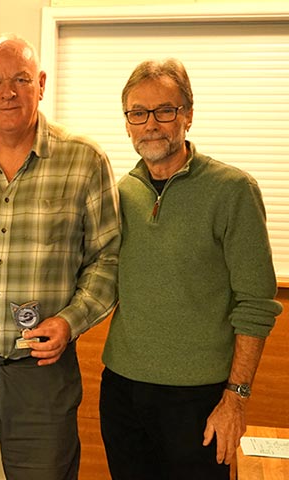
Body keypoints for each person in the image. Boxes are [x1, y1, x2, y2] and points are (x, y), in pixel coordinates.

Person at [0, 33, 121, 480]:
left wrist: (70, 321)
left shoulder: (83, 160)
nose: (8, 92)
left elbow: (108, 258)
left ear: (42, 83)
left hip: (40, 375)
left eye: (21, 79)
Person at [100, 58, 282, 479]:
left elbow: (256, 303)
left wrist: (235, 398)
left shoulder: (232, 190)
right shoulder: (118, 193)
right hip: (122, 393)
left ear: (188, 115)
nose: (152, 124)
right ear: (127, 122)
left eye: (165, 110)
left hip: (200, 401)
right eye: (138, 113)